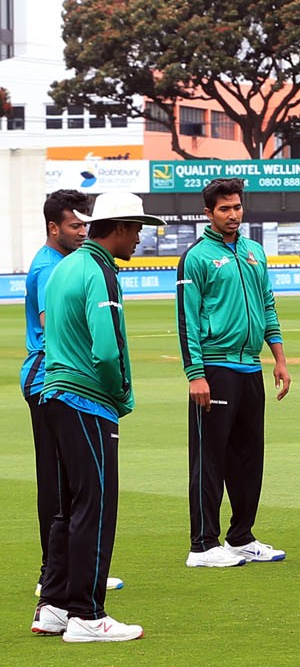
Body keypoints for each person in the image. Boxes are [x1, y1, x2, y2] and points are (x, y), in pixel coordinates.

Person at [31, 191, 164, 643]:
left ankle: (54, 605)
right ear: (120, 227)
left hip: (57, 395)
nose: (140, 237)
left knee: (69, 507)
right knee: (97, 505)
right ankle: (87, 615)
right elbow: (107, 350)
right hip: (87, 399)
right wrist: (121, 393)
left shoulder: (66, 265)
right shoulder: (99, 271)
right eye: (137, 228)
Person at [177, 177, 291, 568]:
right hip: (214, 367)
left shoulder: (254, 251)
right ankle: (203, 545)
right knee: (210, 458)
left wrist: (279, 358)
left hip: (250, 368)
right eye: (224, 208)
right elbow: (188, 320)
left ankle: (241, 536)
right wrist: (195, 374)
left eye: (237, 207)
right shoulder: (197, 257)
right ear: (208, 213)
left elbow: (268, 306)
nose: (233, 215)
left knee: (248, 457)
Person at [23, 190, 117, 599]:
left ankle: (65, 575)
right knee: (61, 486)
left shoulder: (62, 263)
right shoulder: (50, 268)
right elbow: (53, 325)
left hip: (53, 377)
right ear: (53, 227)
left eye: (85, 224)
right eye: (75, 225)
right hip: (51, 377)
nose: (82, 232)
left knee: (66, 484)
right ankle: (55, 575)